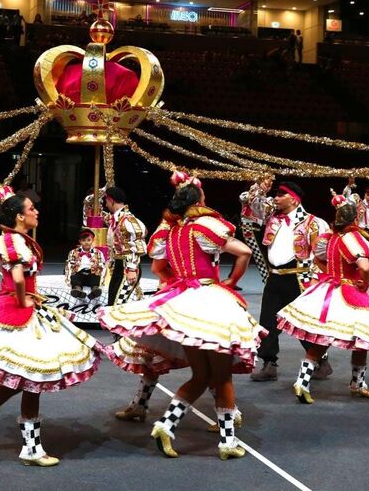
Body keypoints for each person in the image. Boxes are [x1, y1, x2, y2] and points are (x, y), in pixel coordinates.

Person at [99, 171, 265, 460]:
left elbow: (158, 266)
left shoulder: (171, 232)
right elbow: (243, 253)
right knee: (222, 376)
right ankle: (227, 442)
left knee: (201, 375)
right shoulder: (204, 227)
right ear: (198, 200)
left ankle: (166, 425)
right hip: (209, 300)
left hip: (182, 301)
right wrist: (229, 283)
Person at [0, 185, 100, 467]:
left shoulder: (18, 240)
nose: (36, 212)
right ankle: (29, 448)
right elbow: (18, 278)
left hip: (25, 307)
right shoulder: (12, 242)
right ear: (20, 216)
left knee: (23, 377)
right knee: (31, 377)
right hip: (17, 311)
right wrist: (24, 300)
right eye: (31, 209)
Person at [277, 195, 369, 404]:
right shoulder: (353, 238)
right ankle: (357, 384)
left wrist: (333, 273)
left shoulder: (330, 238)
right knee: (361, 340)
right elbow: (365, 267)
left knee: (323, 339)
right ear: (355, 219)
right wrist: (364, 282)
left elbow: (317, 259)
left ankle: (302, 381)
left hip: (330, 289)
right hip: (349, 293)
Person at [245, 178, 330, 381]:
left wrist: (319, 282)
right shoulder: (271, 218)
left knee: (303, 324)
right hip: (275, 278)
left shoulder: (314, 223)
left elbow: (324, 254)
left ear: (292, 199)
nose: (275, 199)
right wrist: (258, 189)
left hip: (300, 279)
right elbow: (249, 204)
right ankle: (269, 363)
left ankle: (320, 359)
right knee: (267, 323)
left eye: (279, 195)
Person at [340, 177, 369, 306]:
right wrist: (348, 186)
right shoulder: (357, 202)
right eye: (367, 194)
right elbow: (345, 198)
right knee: (357, 264)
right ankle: (353, 291)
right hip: (359, 236)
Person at [104, 186, 147, 305]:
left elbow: (136, 245)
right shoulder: (118, 219)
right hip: (119, 267)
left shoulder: (127, 220)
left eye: (106, 201)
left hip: (128, 267)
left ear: (111, 200)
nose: (106, 205)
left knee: (118, 305)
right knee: (112, 304)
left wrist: (132, 269)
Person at [65, 228, 106, 300]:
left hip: (91, 273)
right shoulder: (73, 252)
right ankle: (78, 290)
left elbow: (103, 267)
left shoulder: (98, 253)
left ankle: (95, 289)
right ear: (80, 241)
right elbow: (69, 266)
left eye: (88, 240)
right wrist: (68, 280)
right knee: (75, 277)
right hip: (79, 274)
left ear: (92, 240)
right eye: (83, 240)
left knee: (95, 276)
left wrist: (102, 281)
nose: (86, 242)